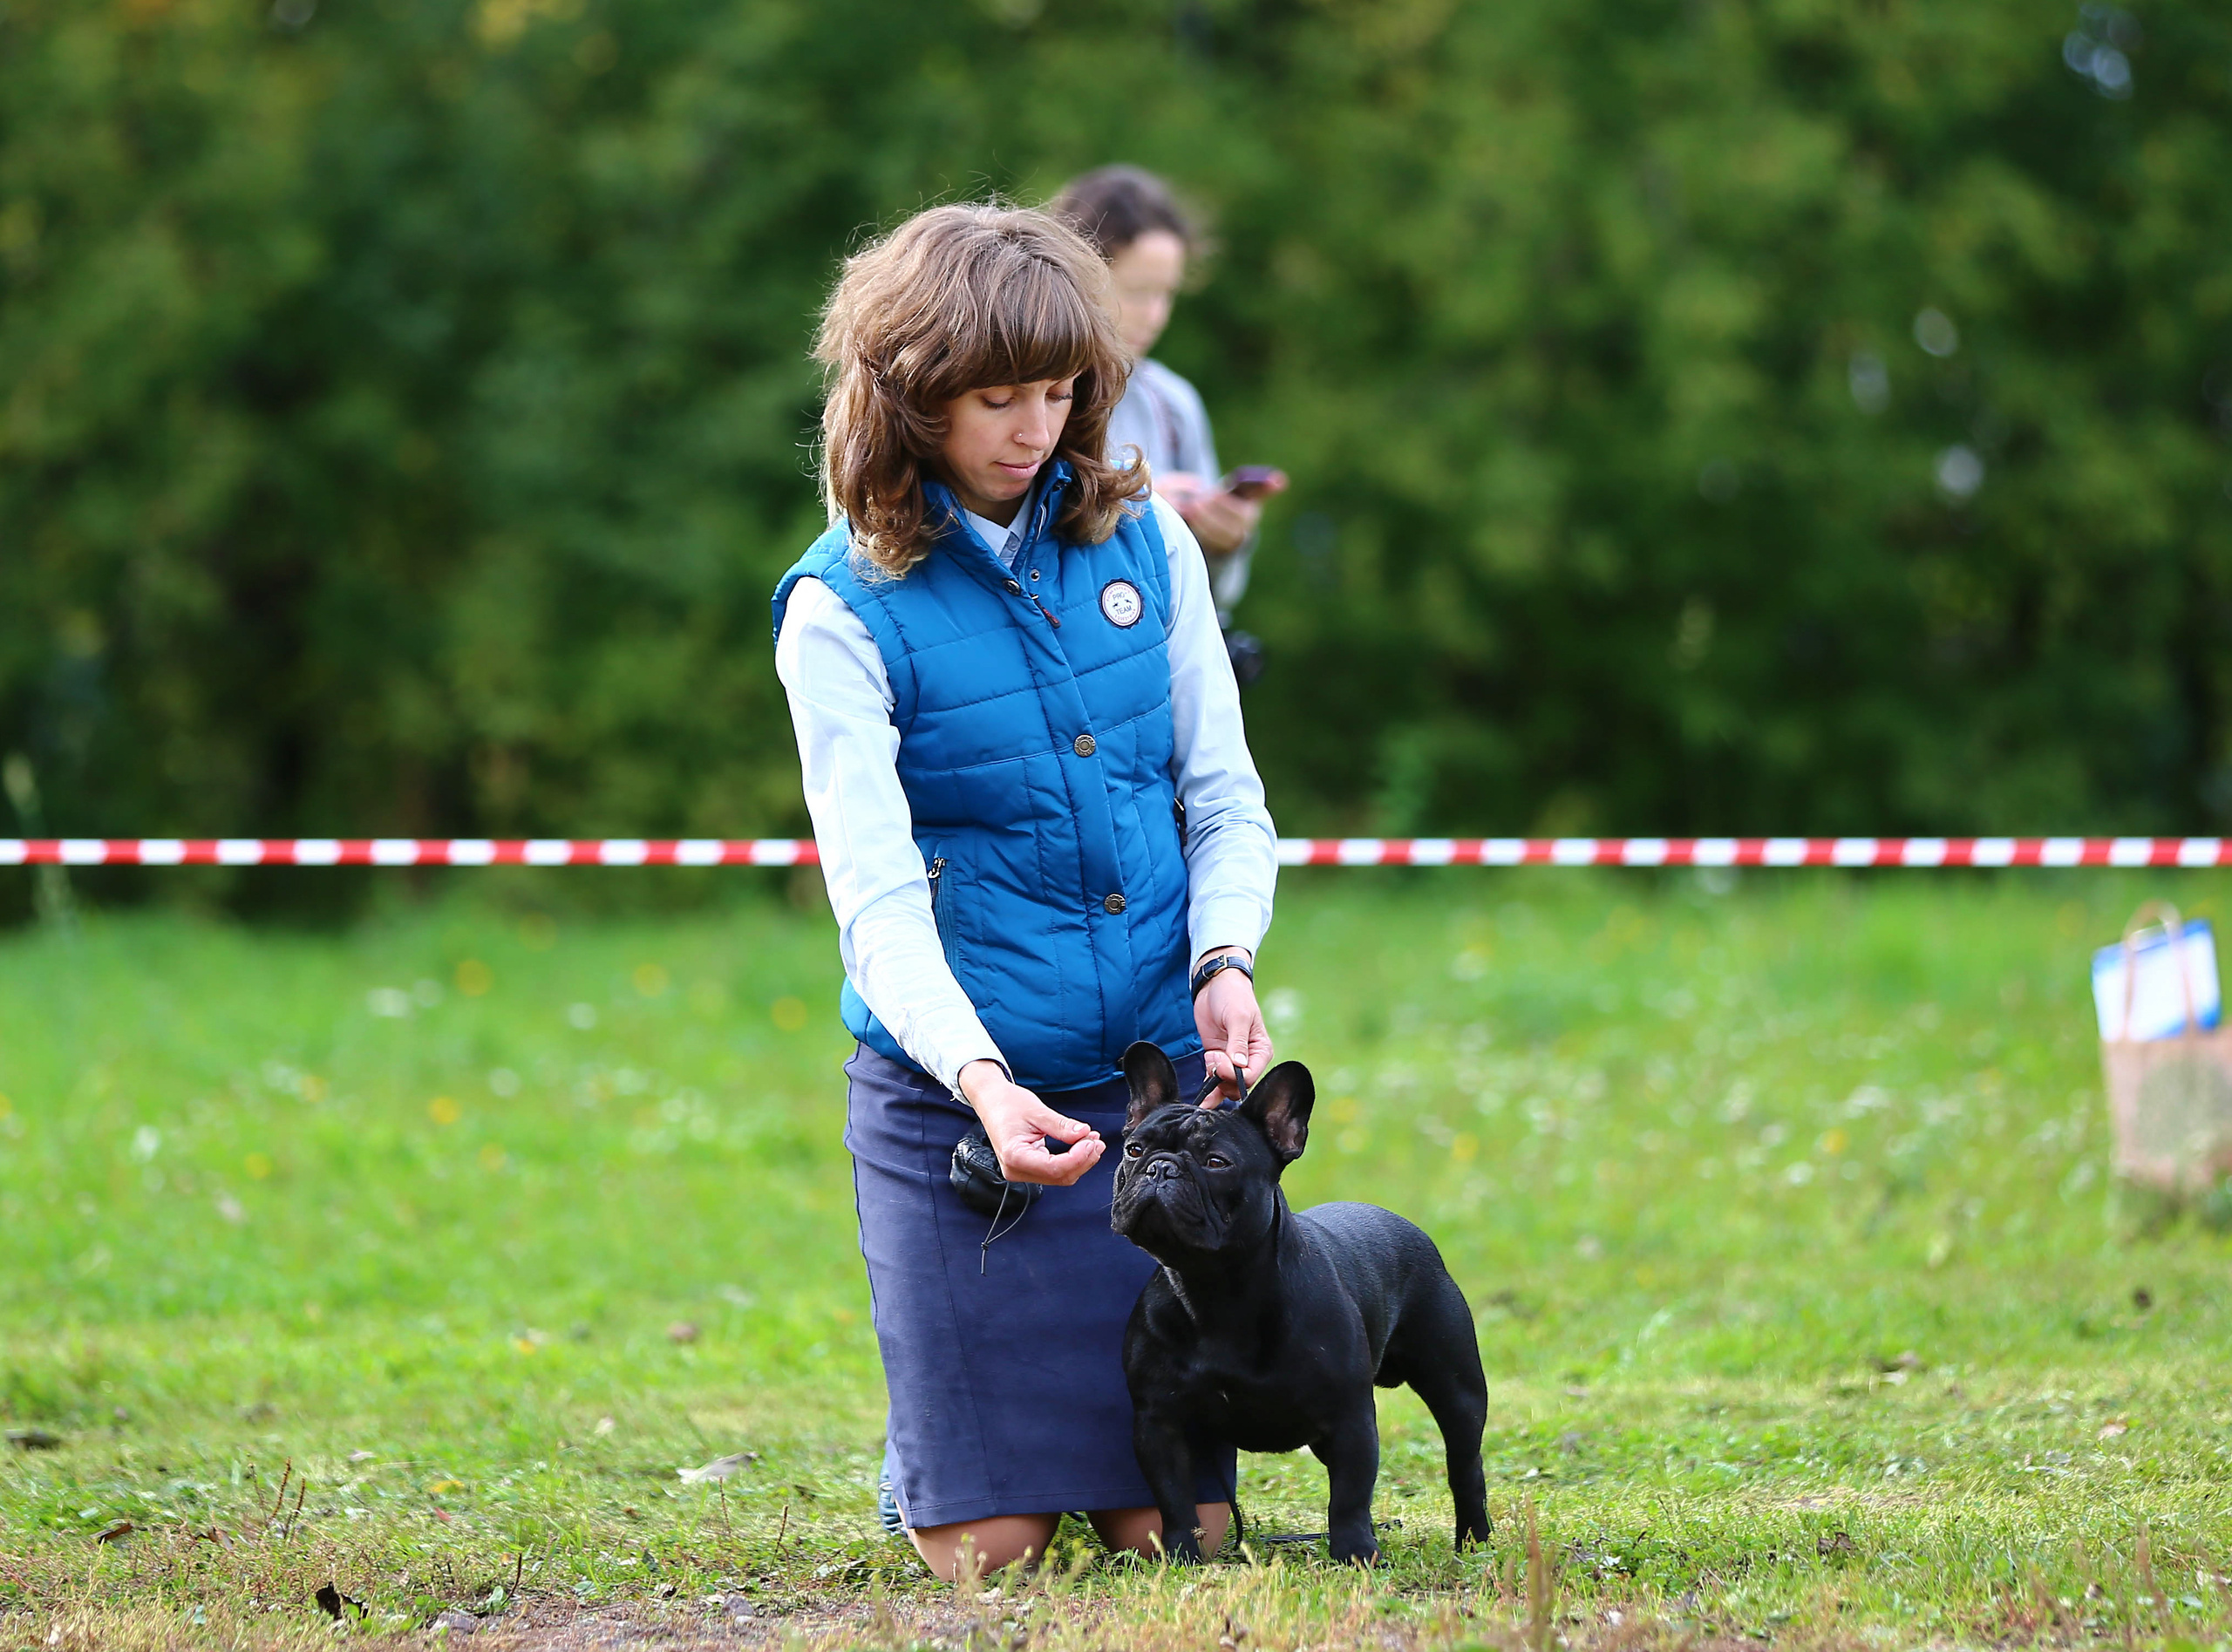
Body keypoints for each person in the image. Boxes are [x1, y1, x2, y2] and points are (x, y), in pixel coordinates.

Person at [771, 203, 1279, 1581]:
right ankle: (938, 1436)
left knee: (1179, 1530)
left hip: (1150, 1119)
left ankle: (1002, 1435)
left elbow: (1225, 794)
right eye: (997, 397)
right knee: (994, 1551)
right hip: (966, 1116)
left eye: (1060, 390)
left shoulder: (1151, 545)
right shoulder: (838, 609)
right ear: (908, 393)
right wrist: (987, 1083)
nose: (1036, 426)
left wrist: (1224, 956)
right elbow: (874, 905)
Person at [1049, 166, 1285, 634]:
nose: (1155, 315)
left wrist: (1222, 541)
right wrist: (1141, 503)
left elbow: (1210, 598)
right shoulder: (1028, 392)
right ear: (1077, 275)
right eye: (1138, 292)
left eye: (1167, 294)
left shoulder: (1174, 404)